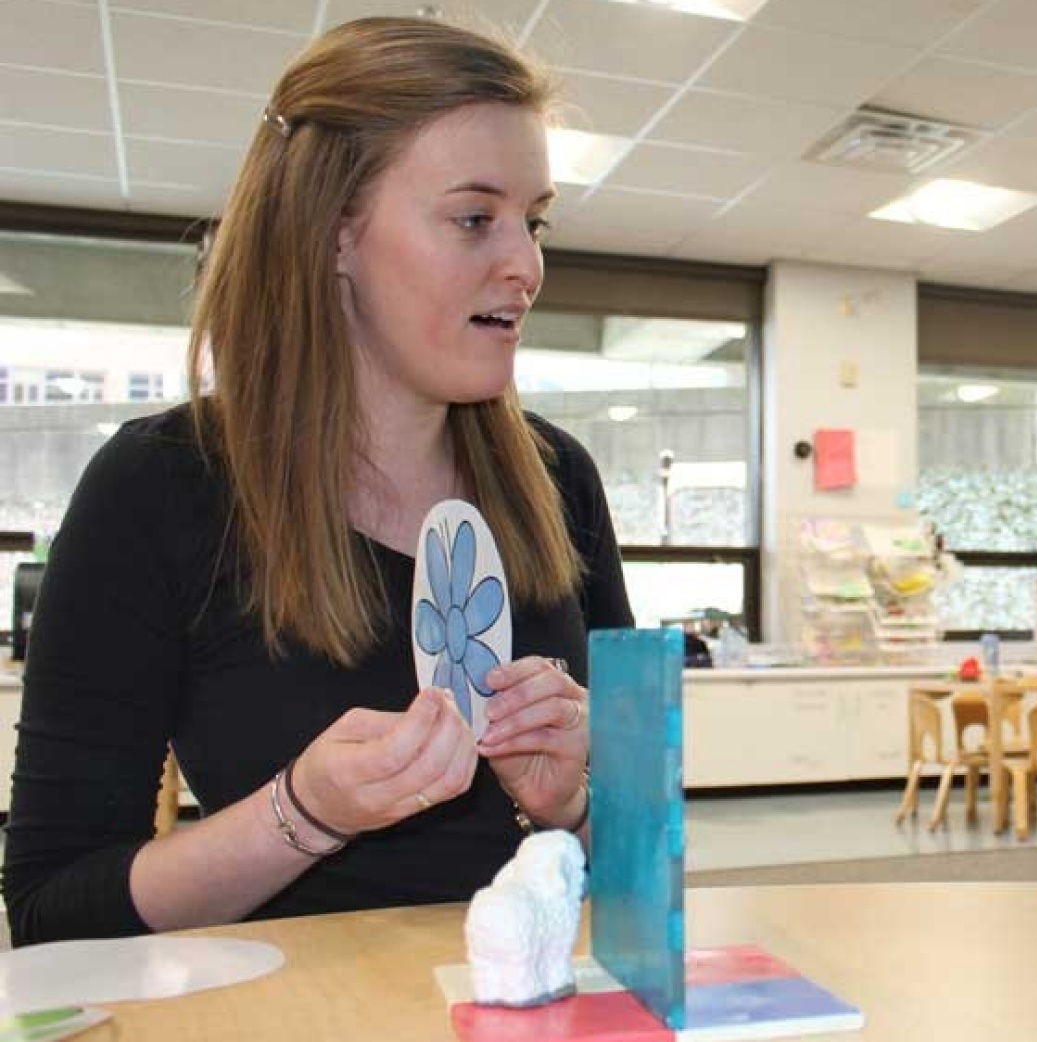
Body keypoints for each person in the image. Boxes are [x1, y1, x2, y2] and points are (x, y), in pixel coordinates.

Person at [3, 16, 633, 946]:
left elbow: (644, 864)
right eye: (474, 218)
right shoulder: (160, 488)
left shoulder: (558, 480)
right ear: (335, 233)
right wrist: (301, 814)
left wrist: (571, 806)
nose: (527, 265)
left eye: (532, 222)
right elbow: (54, 912)